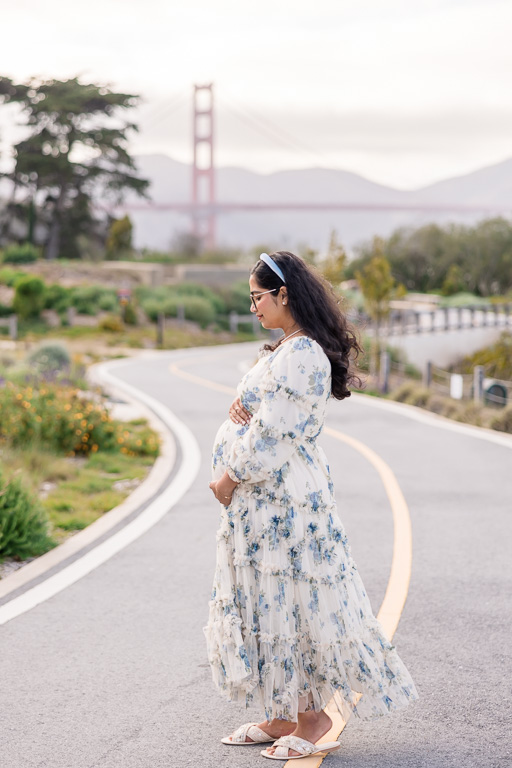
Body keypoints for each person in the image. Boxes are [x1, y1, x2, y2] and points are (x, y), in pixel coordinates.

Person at [206, 251, 419, 761]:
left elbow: (276, 431)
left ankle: (314, 717)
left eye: (258, 297)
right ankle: (282, 711)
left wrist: (231, 474)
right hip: (263, 507)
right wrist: (243, 412)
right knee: (269, 602)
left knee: (294, 604)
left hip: (284, 505)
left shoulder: (302, 356)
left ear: (284, 295)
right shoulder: (287, 348)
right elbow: (259, 412)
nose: (253, 306)